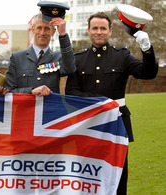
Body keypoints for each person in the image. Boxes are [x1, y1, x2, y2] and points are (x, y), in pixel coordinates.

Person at [65, 12, 158, 194]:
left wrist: (146, 48)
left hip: (117, 124)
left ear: (110, 31)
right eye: (95, 28)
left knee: (118, 174)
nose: (99, 32)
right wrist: (100, 102)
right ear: (89, 31)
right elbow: (71, 92)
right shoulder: (78, 59)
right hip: (88, 125)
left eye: (103, 28)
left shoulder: (122, 56)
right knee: (88, 174)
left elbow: (147, 73)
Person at [4, 10, 76, 96]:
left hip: (49, 108)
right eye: (39, 28)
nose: (42, 33)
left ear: (53, 32)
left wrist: (63, 35)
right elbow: (9, 91)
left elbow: (70, 69)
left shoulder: (58, 57)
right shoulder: (17, 58)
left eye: (47, 28)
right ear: (33, 29)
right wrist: (31, 91)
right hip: (25, 108)